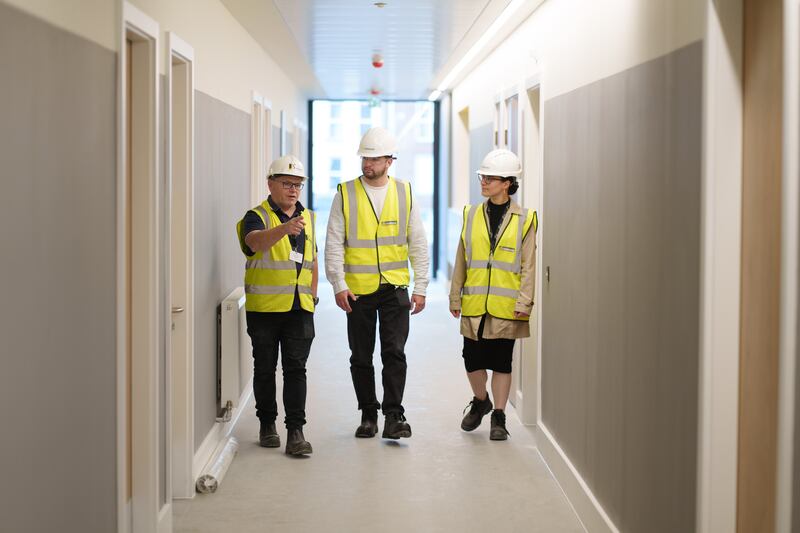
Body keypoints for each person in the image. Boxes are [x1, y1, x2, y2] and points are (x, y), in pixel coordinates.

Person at [325, 126, 430, 440]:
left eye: (374, 158)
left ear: (389, 161)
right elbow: (333, 242)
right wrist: (338, 283)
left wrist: (421, 286)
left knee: (394, 352)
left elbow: (418, 242)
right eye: (364, 158)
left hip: (395, 287)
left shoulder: (404, 191)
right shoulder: (345, 192)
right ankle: (368, 414)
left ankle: (394, 415)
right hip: (357, 290)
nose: (367, 164)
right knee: (360, 355)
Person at [449, 149, 538, 440]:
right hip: (475, 301)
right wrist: (454, 296)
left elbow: (528, 266)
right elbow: (462, 257)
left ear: (508, 183)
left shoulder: (525, 220)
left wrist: (525, 302)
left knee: (501, 362)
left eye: (490, 178)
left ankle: (498, 416)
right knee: (471, 360)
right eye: (482, 177)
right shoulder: (471, 213)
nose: (484, 182)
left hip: (507, 305)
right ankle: (480, 400)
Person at [237, 155, 318, 456]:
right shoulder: (256, 216)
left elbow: (313, 258)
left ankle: (295, 432)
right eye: (287, 183)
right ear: (270, 183)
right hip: (265, 309)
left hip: (299, 308)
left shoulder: (307, 217)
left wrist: (313, 295)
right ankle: (267, 423)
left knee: (296, 369)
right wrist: (284, 229)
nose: (294, 190)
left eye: (297, 185)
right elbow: (255, 243)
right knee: (265, 368)